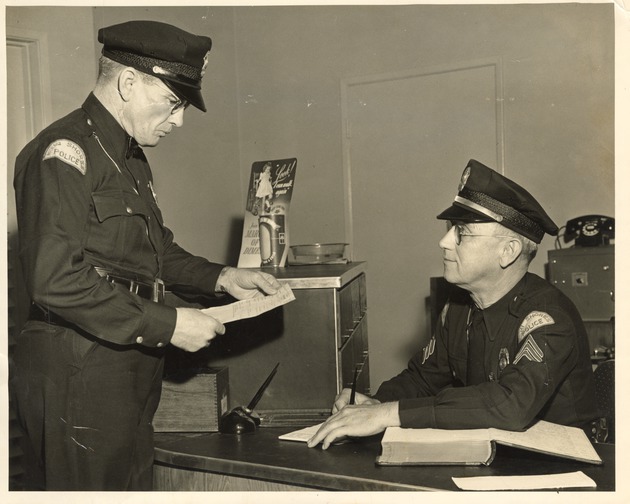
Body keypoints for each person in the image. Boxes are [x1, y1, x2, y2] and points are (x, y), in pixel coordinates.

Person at [11, 20, 282, 490]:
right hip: (79, 366)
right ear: (128, 82)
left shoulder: (129, 157)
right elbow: (55, 279)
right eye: (173, 103)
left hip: (125, 360)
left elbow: (155, 253)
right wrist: (171, 325)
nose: (178, 120)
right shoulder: (64, 152)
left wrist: (221, 278)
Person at [308, 159, 598, 450]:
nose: (444, 242)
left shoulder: (549, 319)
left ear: (507, 252)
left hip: (560, 466)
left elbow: (510, 405)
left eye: (461, 233)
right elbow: (423, 379)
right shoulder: (459, 306)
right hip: (496, 454)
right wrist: (374, 403)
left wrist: (387, 414)